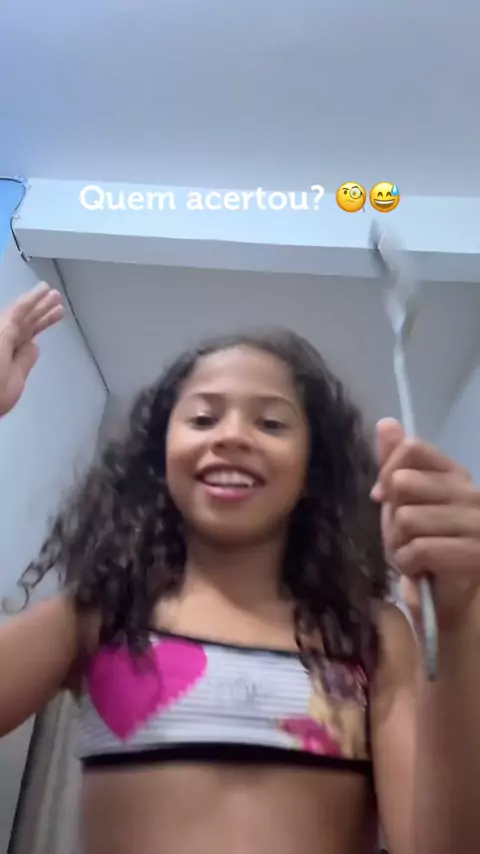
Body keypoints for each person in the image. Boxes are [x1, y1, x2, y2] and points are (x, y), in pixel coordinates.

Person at [0, 283, 479, 854]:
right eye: (203, 418)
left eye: (271, 424)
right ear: (159, 457)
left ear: (312, 468)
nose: (231, 436)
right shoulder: (99, 615)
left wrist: (459, 621)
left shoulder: (371, 635)